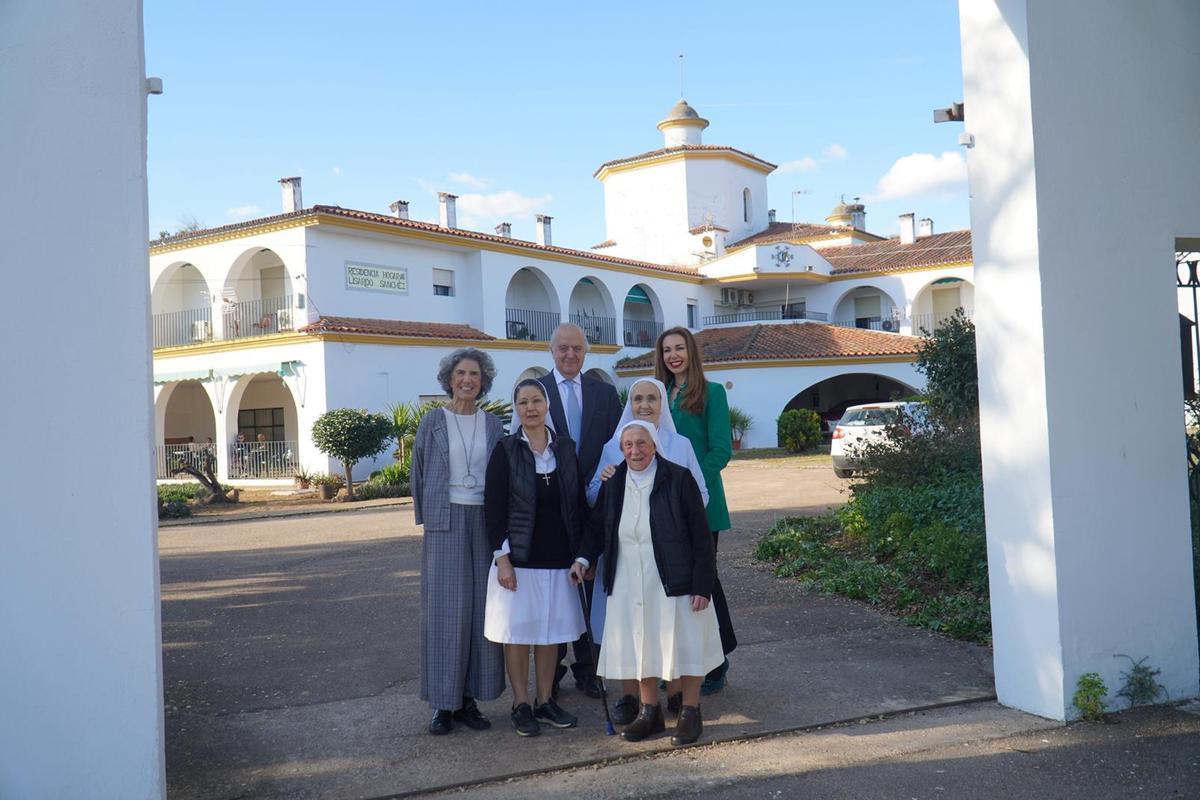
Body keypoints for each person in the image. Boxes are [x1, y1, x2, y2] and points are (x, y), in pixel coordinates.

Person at [571, 420, 721, 746]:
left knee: (688, 644)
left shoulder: (679, 479)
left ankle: (690, 713)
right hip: (628, 579)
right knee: (641, 645)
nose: (635, 451)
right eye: (629, 445)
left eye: (642, 444)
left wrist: (702, 584)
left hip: (673, 579)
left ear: (654, 445)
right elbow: (597, 528)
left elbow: (701, 537)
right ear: (621, 449)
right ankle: (649, 712)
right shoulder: (615, 483)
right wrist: (583, 559)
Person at [585, 377, 709, 725]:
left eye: (651, 398)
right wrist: (606, 479)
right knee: (633, 629)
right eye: (637, 398)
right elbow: (596, 502)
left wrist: (672, 513)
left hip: (672, 556)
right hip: (628, 558)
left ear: (662, 404)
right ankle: (636, 700)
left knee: (674, 628)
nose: (644, 404)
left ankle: (681, 701)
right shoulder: (614, 447)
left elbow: (700, 495)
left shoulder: (679, 445)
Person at [411, 347, 506, 736]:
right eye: (461, 374)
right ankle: (442, 704)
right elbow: (418, 472)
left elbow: (502, 476)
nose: (468, 380)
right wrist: (429, 520)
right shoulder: (433, 420)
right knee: (446, 613)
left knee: (481, 612)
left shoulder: (493, 425)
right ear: (449, 379)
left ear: (483, 382)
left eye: (475, 375)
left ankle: (470, 700)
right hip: (445, 521)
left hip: (484, 520)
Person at [483, 379, 586, 736]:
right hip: (520, 561)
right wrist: (503, 559)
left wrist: (581, 556)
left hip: (559, 559)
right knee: (519, 635)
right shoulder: (506, 449)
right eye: (523, 402)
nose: (531, 407)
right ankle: (520, 704)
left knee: (550, 635)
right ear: (517, 408)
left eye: (536, 400)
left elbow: (577, 505)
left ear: (546, 406)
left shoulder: (566, 448)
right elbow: (493, 509)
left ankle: (545, 702)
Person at [537, 322, 622, 697]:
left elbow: (618, 445)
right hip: (550, 509)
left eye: (577, 349)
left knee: (592, 588)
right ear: (551, 351)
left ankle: (590, 669)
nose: (570, 355)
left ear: (586, 352)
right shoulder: (534, 391)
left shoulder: (604, 393)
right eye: (562, 349)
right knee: (555, 590)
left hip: (596, 505)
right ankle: (550, 671)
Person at [656, 326, 737, 694]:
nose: (673, 355)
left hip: (701, 503)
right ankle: (680, 662)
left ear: (691, 352)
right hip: (663, 505)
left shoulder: (713, 393)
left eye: (679, 348)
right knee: (674, 584)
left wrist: (687, 487)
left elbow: (721, 449)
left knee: (706, 583)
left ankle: (718, 660)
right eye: (667, 350)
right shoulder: (659, 394)